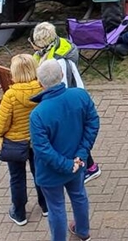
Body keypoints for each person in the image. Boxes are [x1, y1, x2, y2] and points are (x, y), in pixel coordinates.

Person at [29, 58, 99, 241]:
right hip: (78, 163)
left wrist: (66, 165)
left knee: (56, 208)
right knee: (79, 196)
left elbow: (42, 149)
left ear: (39, 83)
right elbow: (93, 123)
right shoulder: (80, 95)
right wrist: (81, 154)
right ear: (61, 76)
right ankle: (83, 231)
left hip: (52, 171)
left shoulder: (38, 113)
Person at [0, 54, 48, 226]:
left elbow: (2, 123)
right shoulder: (43, 89)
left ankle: (19, 213)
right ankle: (46, 206)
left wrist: (0, 135)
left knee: (17, 177)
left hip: (15, 142)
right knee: (39, 173)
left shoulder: (10, 95)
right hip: (37, 140)